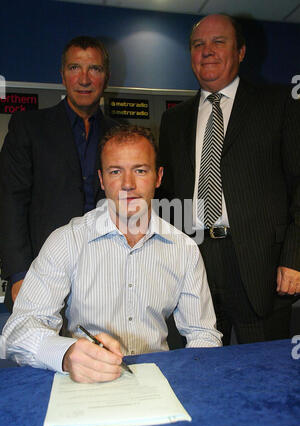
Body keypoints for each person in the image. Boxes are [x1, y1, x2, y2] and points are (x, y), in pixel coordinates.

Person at [0, 125, 222, 383]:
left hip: (159, 385)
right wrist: (66, 355)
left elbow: (203, 334)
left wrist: (190, 381)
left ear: (158, 177)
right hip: (86, 384)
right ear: (102, 180)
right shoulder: (68, 241)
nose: (128, 184)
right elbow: (18, 331)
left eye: (140, 170)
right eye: (116, 171)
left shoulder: (185, 249)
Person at [159, 14, 300, 345]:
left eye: (218, 42)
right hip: (192, 263)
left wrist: (294, 259)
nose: (207, 50)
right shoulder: (173, 120)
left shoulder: (280, 104)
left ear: (241, 52)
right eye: (198, 44)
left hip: (261, 267)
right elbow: (166, 196)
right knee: (197, 370)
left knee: (265, 376)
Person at [0, 36, 118, 310]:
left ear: (106, 77)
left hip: (109, 278)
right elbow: (10, 201)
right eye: (75, 68)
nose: (84, 79)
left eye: (95, 69)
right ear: (62, 75)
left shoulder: (120, 134)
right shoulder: (28, 127)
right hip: (43, 278)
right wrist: (19, 274)